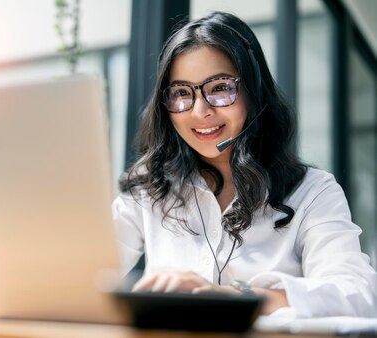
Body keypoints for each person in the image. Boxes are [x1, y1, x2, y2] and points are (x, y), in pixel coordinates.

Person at [112, 11, 377, 318]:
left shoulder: (313, 192)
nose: (200, 111)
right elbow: (82, 273)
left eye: (220, 88)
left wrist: (237, 297)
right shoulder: (150, 187)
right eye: (182, 93)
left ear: (254, 90)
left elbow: (359, 295)